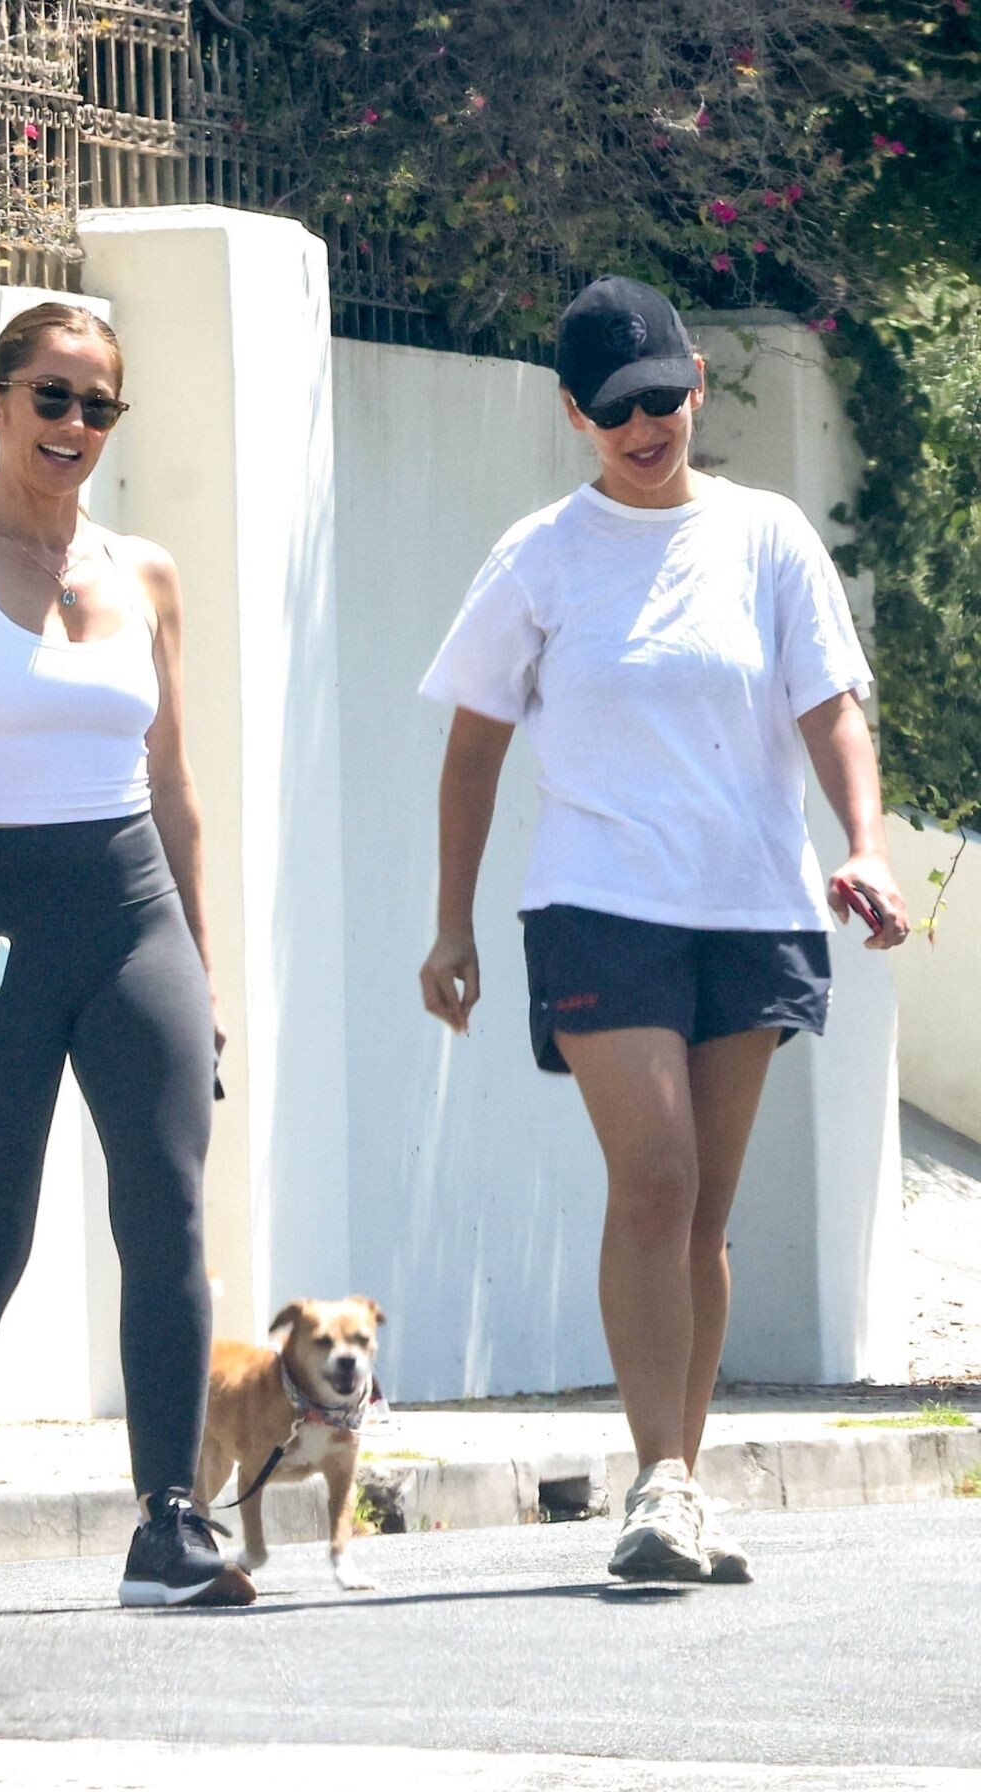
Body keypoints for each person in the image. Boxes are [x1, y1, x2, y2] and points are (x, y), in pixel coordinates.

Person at [418, 275, 909, 1584]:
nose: (645, 427)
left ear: (695, 383)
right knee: (656, 1178)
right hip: (599, 905)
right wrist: (452, 924)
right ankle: (658, 1480)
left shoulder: (768, 536)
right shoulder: (541, 555)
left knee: (703, 1211)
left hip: (750, 905)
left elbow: (830, 705)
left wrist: (864, 843)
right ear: (574, 414)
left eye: (661, 398)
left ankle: (681, 1483)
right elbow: (473, 751)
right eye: (615, 409)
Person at [0, 302, 253, 1610]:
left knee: (168, 1211)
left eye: (99, 405)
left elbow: (175, 785)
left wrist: (200, 965)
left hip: (134, 916)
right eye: (52, 396)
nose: (75, 424)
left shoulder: (147, 574)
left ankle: (170, 1520)